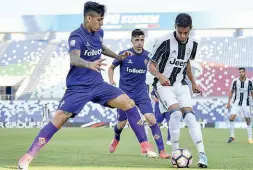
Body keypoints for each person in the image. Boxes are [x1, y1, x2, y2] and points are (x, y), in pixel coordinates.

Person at [18, 2, 156, 169]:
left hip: (98, 84)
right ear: (89, 18)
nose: (101, 23)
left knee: (128, 102)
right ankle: (27, 156)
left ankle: (145, 147)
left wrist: (117, 57)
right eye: (99, 19)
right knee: (59, 118)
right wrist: (89, 64)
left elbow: (100, 47)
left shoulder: (99, 33)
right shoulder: (76, 37)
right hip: (78, 87)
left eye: (102, 19)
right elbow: (74, 58)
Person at [148, 13, 208, 168]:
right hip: (163, 85)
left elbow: (187, 63)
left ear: (190, 29)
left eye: (185, 33)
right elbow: (150, 65)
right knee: (175, 113)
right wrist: (160, 76)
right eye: (179, 32)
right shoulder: (164, 41)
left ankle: (203, 155)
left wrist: (193, 83)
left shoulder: (193, 44)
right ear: (175, 27)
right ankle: (175, 152)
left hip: (181, 85)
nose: (182, 36)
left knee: (190, 117)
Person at [108, 29, 170, 159]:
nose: (139, 43)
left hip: (141, 93)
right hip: (124, 95)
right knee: (121, 123)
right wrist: (111, 80)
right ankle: (116, 138)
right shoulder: (124, 54)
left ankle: (162, 151)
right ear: (132, 41)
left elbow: (155, 71)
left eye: (142, 40)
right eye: (137, 40)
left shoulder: (148, 56)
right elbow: (111, 68)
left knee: (151, 119)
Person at [226, 68, 253, 144]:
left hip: (246, 104)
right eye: (239, 72)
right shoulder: (235, 81)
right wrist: (228, 102)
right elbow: (231, 91)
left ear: (245, 72)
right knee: (231, 118)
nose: (241, 73)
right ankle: (232, 136)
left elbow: (252, 93)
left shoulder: (250, 82)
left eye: (242, 72)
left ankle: (250, 138)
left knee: (248, 120)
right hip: (236, 103)